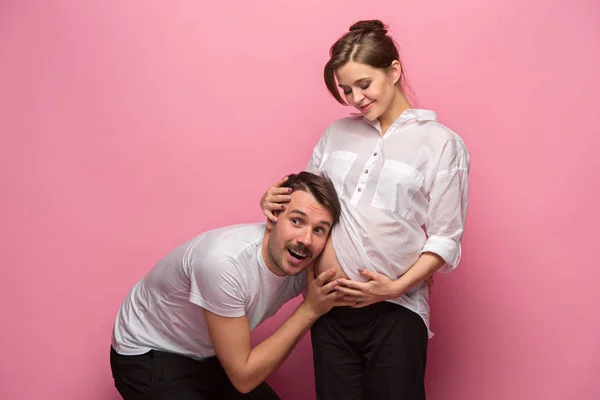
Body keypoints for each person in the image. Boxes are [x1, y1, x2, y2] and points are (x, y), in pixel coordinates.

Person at [261, 19, 471, 400]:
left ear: (393, 71)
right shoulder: (336, 134)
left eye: (364, 84)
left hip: (397, 312)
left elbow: (445, 237)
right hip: (328, 308)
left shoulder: (440, 144)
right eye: (346, 90)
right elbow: (308, 205)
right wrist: (273, 201)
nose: (356, 98)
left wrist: (393, 288)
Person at [110, 172, 353, 400]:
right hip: (148, 351)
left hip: (209, 353)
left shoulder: (301, 259)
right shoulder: (223, 264)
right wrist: (309, 310)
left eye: (319, 229)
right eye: (297, 221)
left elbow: (352, 274)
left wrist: (392, 288)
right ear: (273, 218)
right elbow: (244, 378)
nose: (306, 239)